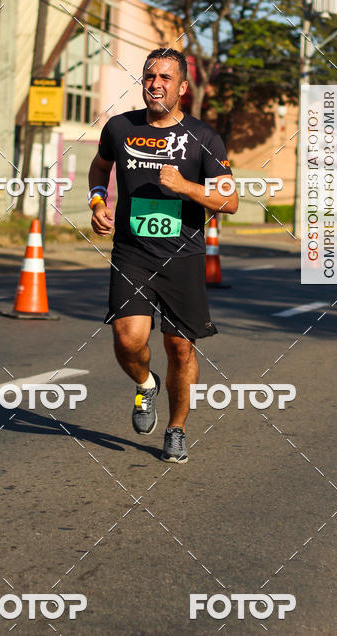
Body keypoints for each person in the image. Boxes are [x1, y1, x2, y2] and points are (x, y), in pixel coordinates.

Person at [88, 48, 238, 463]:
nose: (156, 83)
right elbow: (100, 168)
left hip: (183, 257)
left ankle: (176, 429)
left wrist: (187, 188)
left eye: (166, 78)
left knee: (180, 349)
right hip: (132, 251)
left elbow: (230, 202)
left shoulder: (204, 138)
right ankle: (144, 384)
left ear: (183, 88)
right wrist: (98, 202)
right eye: (149, 76)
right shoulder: (120, 127)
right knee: (127, 338)